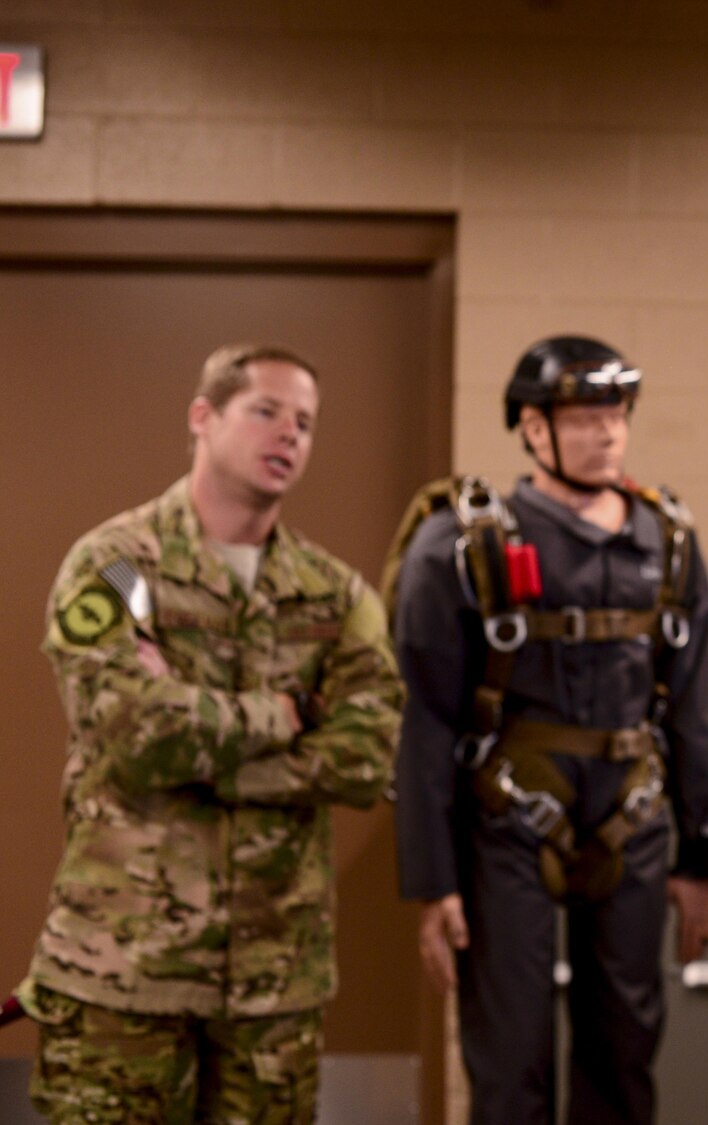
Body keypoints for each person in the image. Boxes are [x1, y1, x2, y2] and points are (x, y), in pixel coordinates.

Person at [13, 343, 404, 1123]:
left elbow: (369, 756)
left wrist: (215, 754)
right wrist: (289, 714)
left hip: (274, 984)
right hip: (123, 972)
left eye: (305, 422)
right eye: (266, 411)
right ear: (203, 416)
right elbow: (132, 732)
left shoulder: (335, 595)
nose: (288, 434)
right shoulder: (117, 567)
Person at [390, 335, 708, 1125]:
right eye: (582, 415)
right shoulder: (464, 543)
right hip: (506, 820)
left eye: (615, 413)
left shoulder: (669, 539)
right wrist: (432, 880)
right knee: (509, 1059)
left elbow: (694, 705)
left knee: (624, 1051)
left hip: (634, 820)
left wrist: (701, 852)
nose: (606, 431)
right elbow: (428, 717)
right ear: (532, 428)